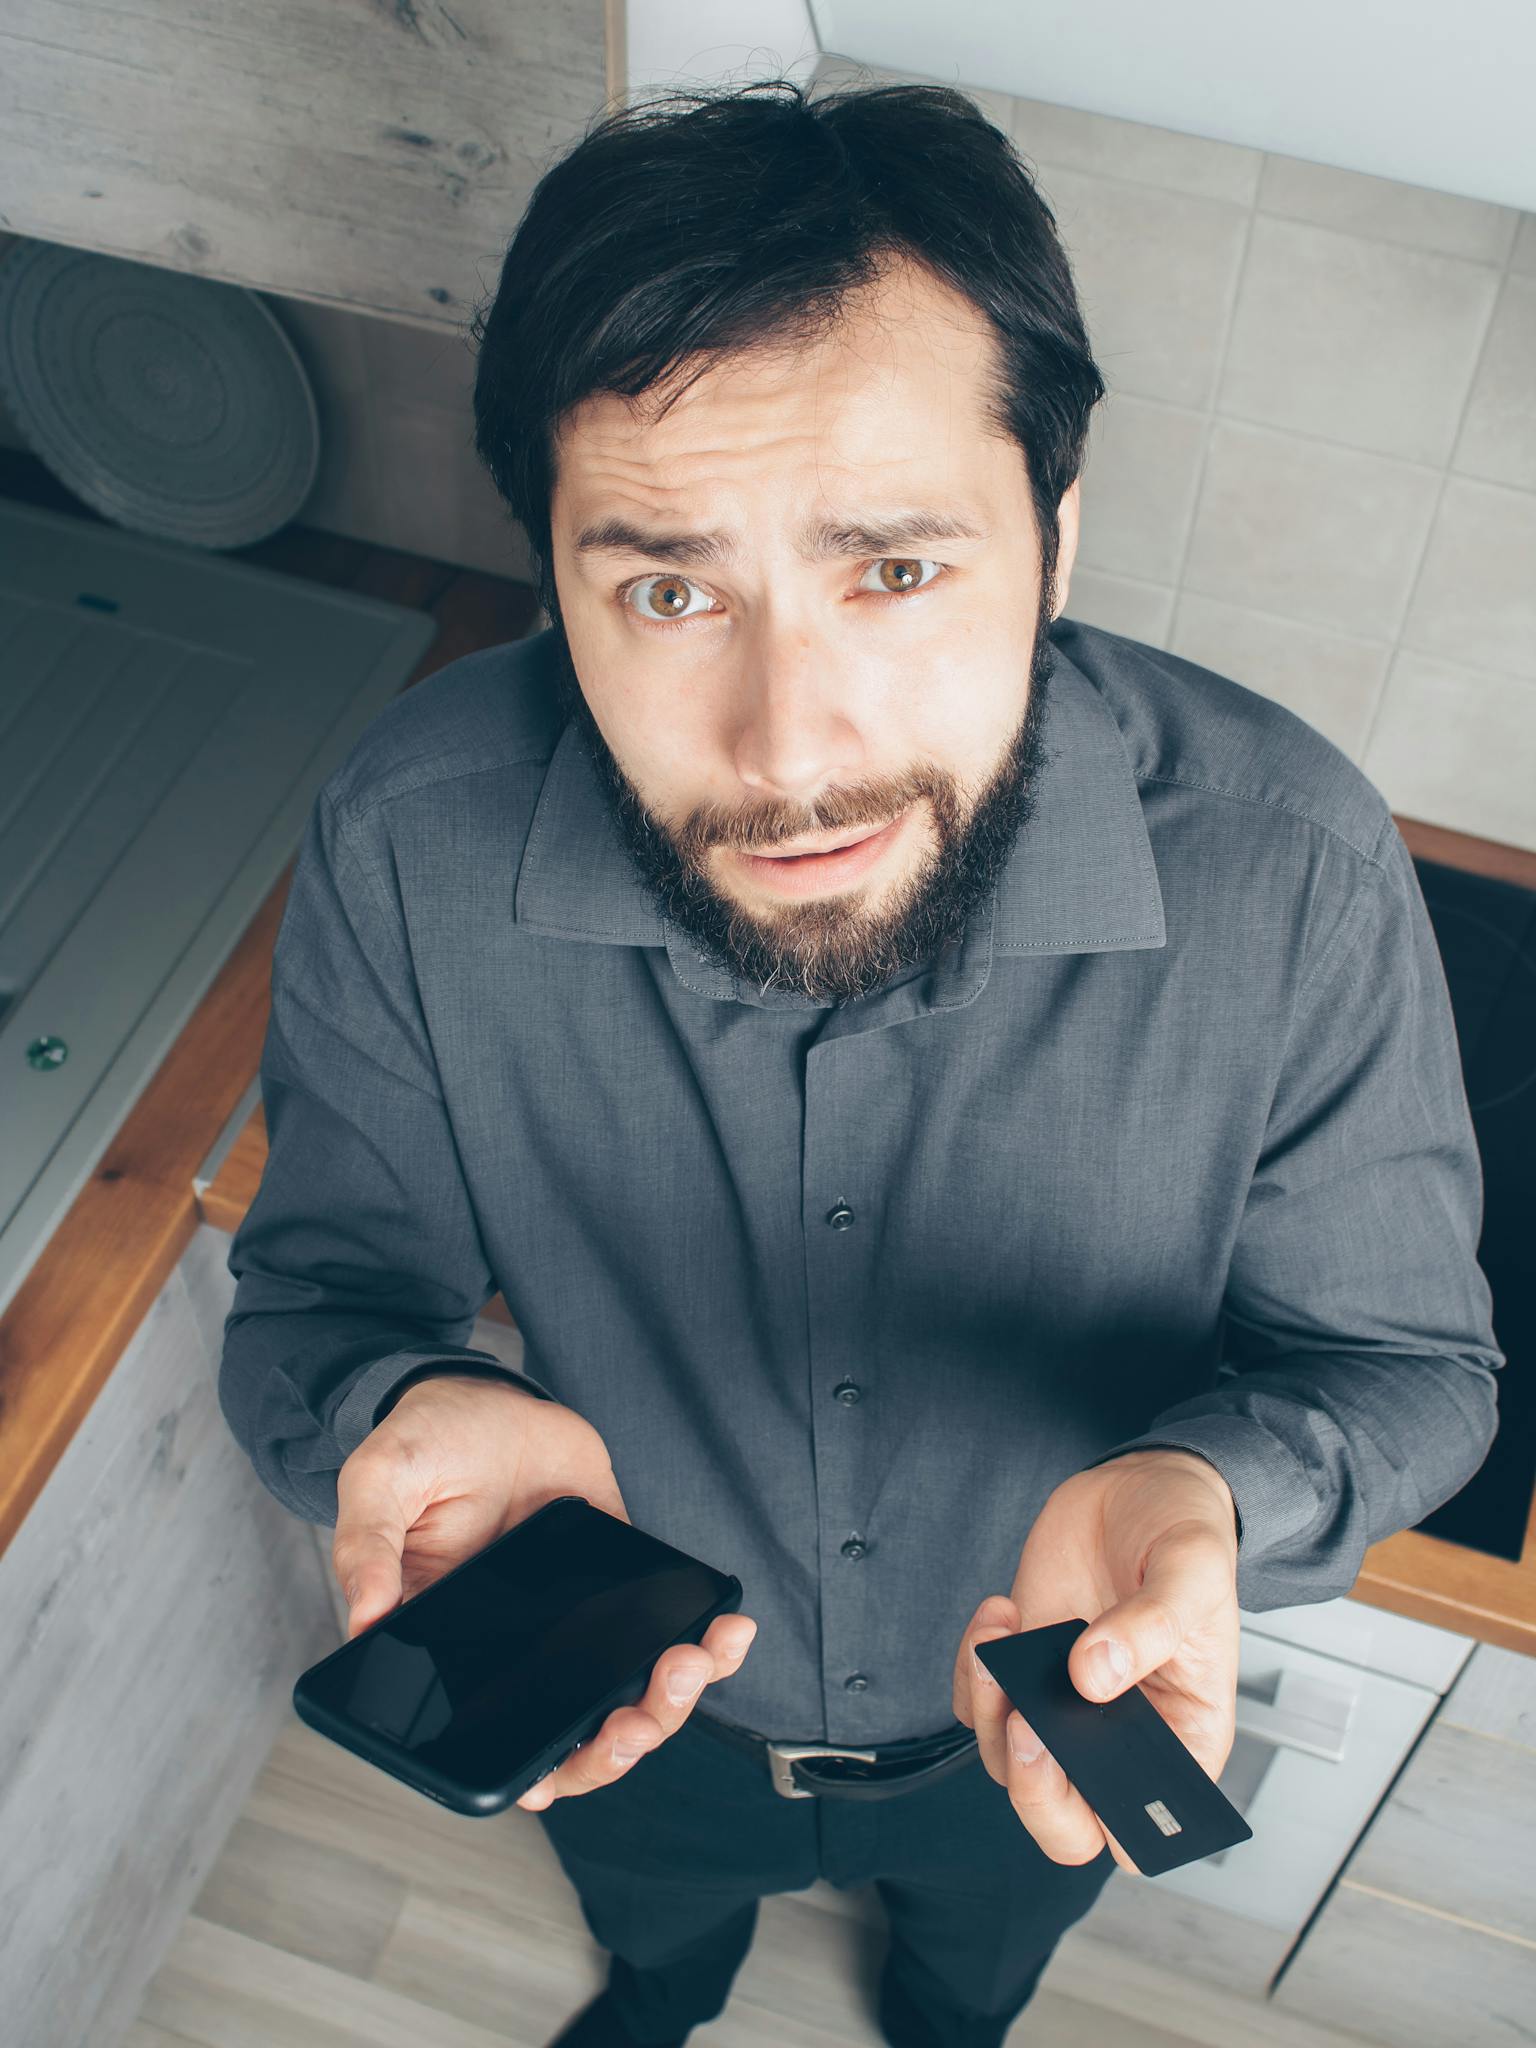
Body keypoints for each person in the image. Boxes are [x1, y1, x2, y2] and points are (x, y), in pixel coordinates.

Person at [218, 76, 1504, 2048]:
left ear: (1054, 533)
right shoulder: (411, 834)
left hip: (1035, 1723)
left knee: (968, 1994)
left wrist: (1207, 1485)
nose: (788, 743)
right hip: (634, 1707)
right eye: (669, 590)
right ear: (554, 573)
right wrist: (410, 1399)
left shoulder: (1298, 868)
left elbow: (1414, 1372)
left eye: (894, 571)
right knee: (652, 1941)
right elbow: (316, 1305)